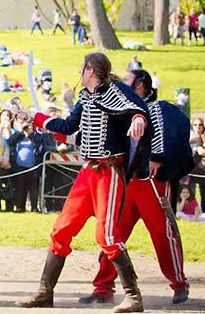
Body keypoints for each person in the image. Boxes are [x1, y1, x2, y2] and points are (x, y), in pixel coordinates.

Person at [20, 52, 150, 312]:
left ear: (90, 70)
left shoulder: (115, 90)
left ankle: (133, 296)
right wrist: (36, 118)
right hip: (88, 171)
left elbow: (137, 109)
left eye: (82, 68)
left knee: (107, 235)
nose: (80, 71)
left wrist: (137, 120)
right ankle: (45, 292)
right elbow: (69, 126)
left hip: (109, 171)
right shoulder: (85, 97)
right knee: (61, 229)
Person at [79, 69, 193, 305]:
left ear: (141, 85)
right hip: (125, 181)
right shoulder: (122, 106)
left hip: (151, 181)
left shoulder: (156, 108)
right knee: (112, 233)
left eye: (129, 82)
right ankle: (103, 287)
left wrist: (157, 157)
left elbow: (162, 135)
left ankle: (179, 283)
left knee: (163, 234)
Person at [8, 115, 43, 213]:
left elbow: (40, 144)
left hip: (33, 167)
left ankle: (34, 208)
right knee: (20, 188)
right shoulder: (18, 135)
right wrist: (20, 132)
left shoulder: (36, 136)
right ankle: (20, 207)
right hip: (19, 166)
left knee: (33, 189)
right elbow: (10, 142)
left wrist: (30, 134)